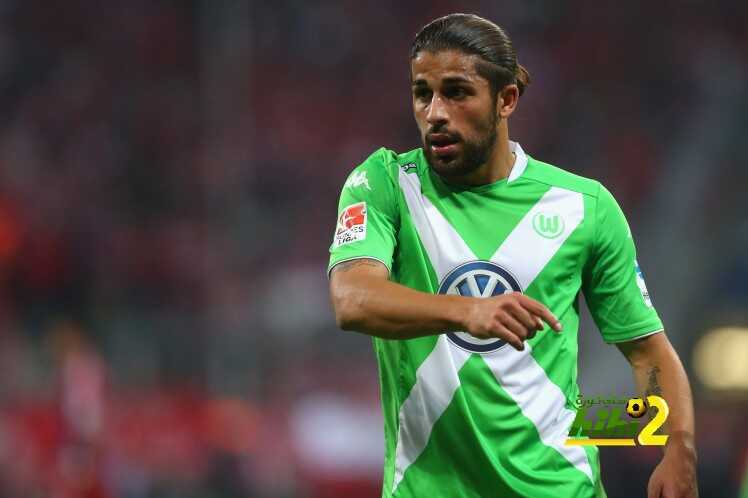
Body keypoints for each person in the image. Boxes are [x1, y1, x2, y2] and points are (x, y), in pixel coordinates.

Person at [327, 13, 697, 498]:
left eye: (457, 92)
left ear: (506, 100)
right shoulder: (385, 185)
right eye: (423, 93)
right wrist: (467, 310)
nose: (436, 112)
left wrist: (678, 448)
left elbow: (648, 352)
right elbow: (352, 299)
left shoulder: (584, 207)